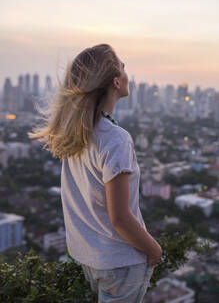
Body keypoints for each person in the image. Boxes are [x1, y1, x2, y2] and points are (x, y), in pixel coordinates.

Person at [28, 43, 162, 303]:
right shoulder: (115, 139)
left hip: (90, 259)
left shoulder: (77, 133)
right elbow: (121, 218)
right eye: (123, 68)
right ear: (114, 81)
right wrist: (154, 249)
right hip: (120, 261)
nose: (127, 73)